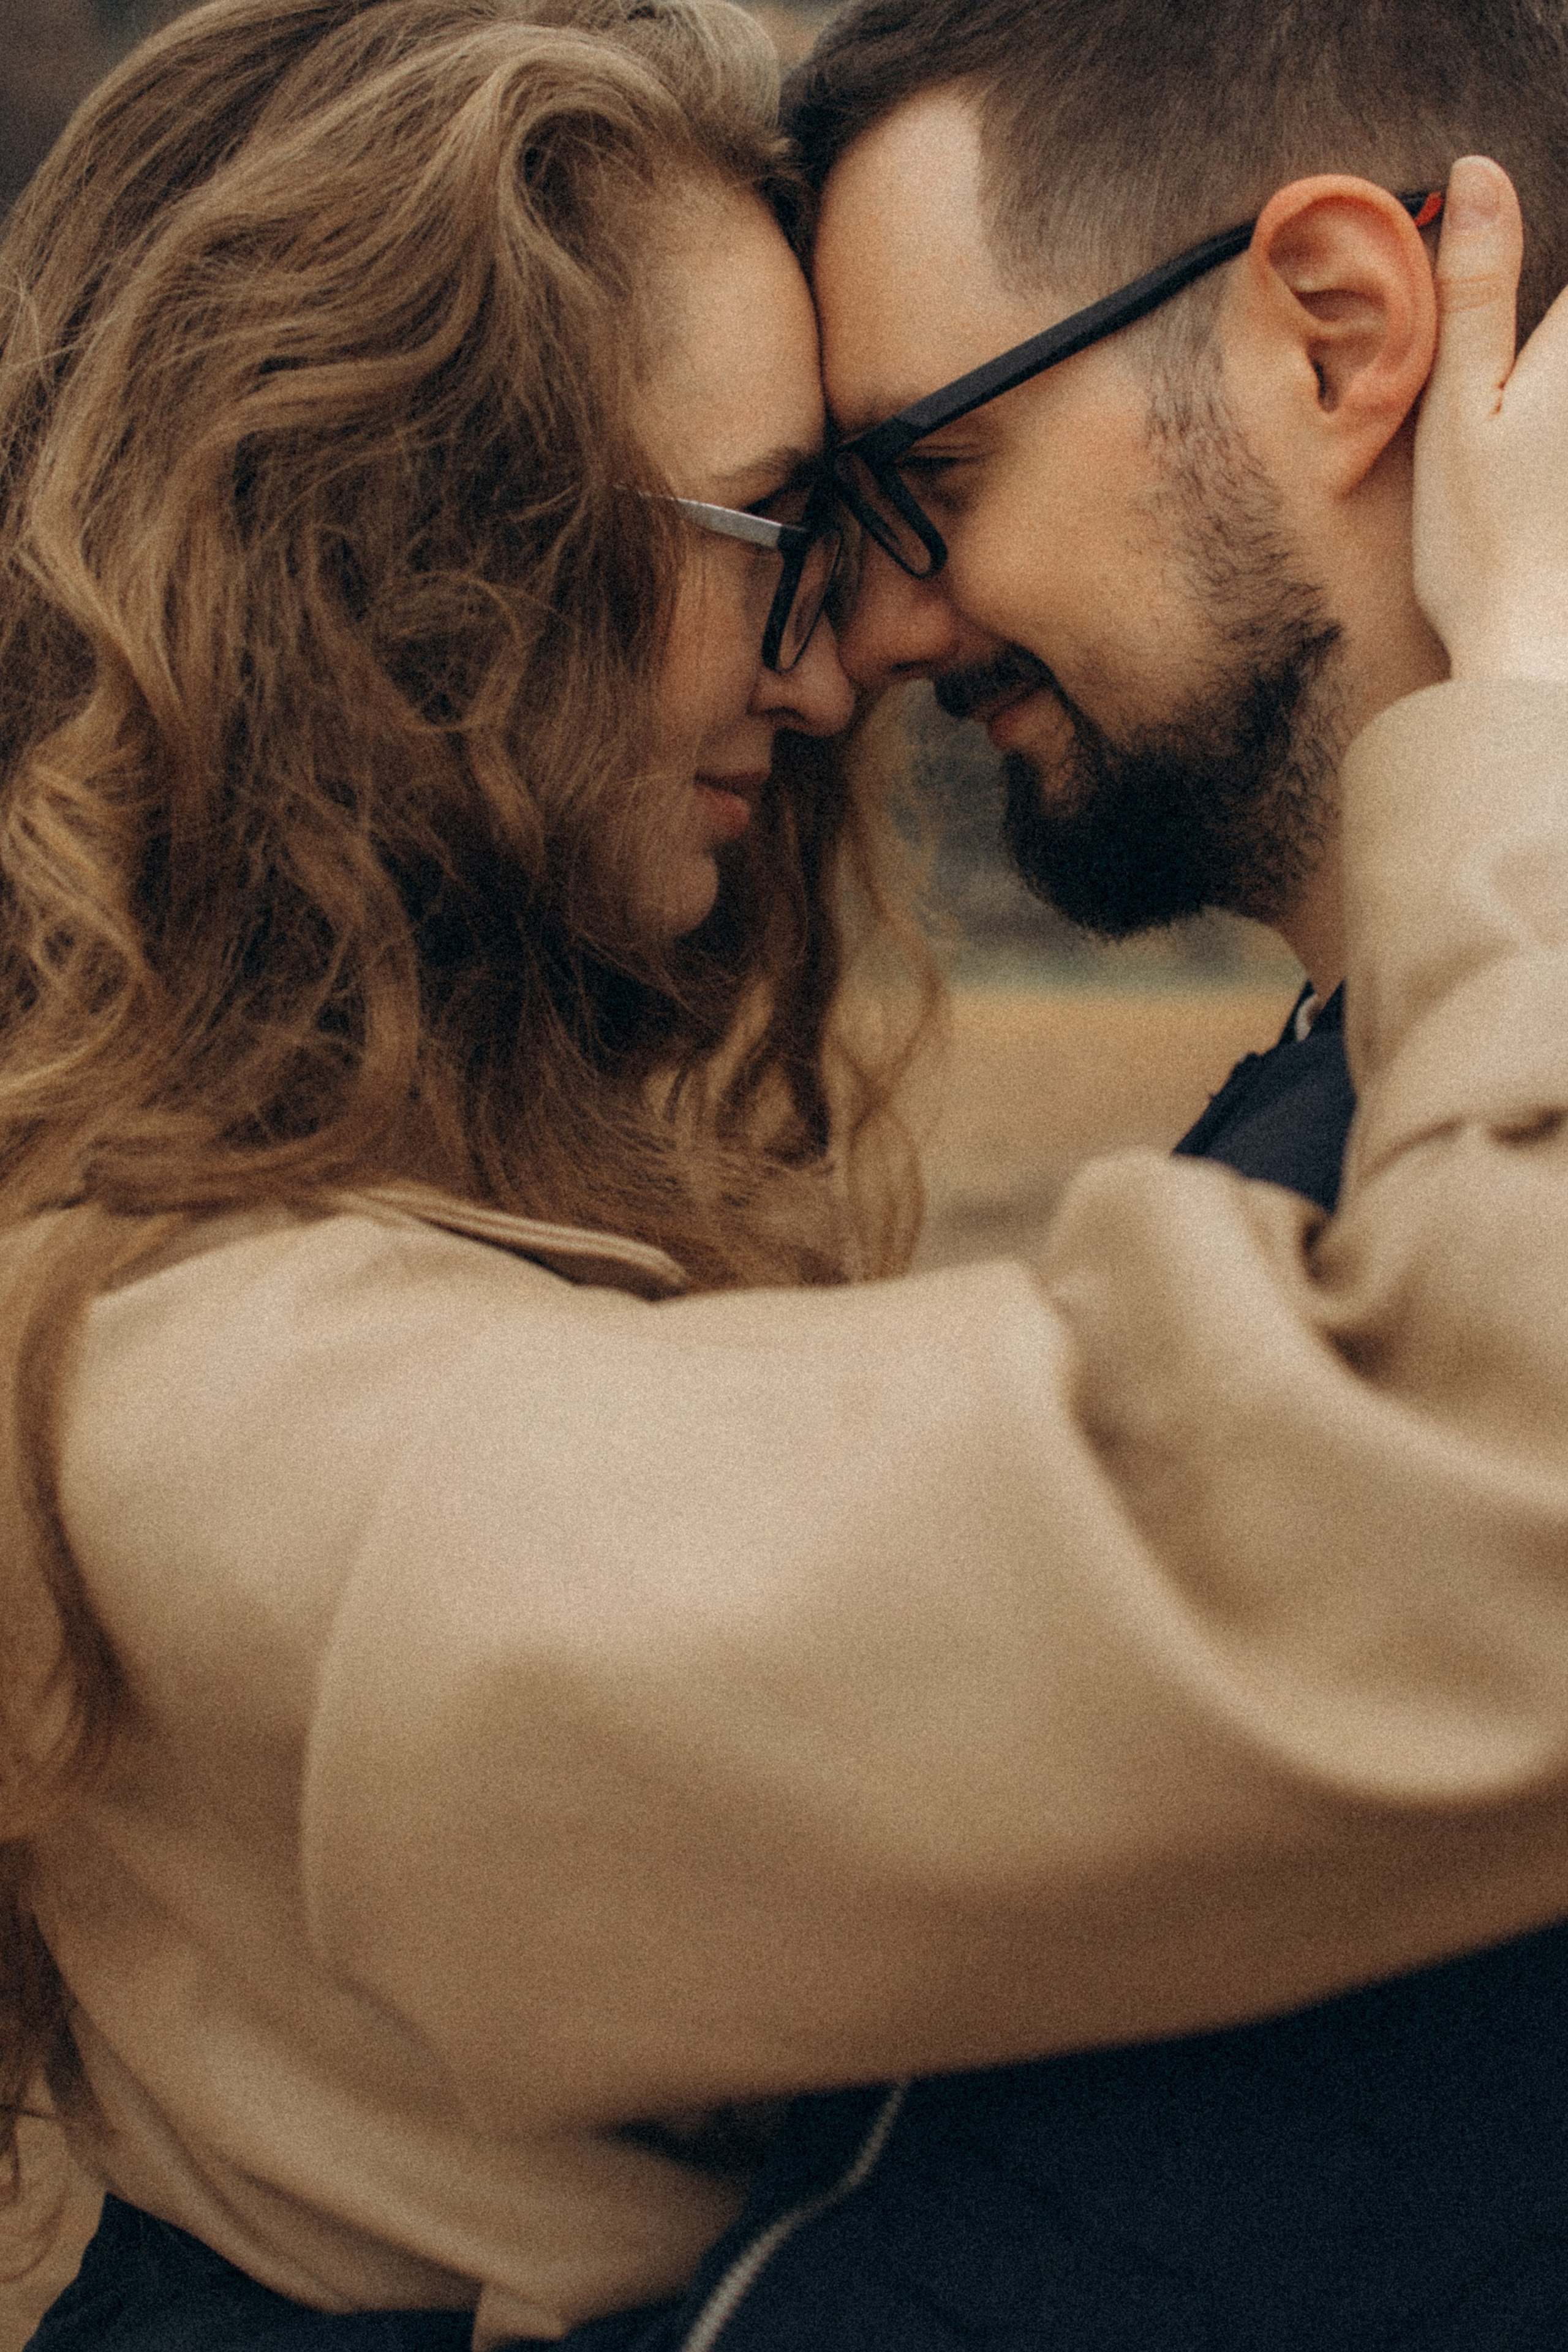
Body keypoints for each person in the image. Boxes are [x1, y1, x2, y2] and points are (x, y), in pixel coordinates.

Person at [6, 4, 1568, 2352]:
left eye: (904, 497)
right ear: (433, 561)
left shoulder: (315, 1266)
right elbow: (1476, 1490)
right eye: (789, 529)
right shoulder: (221, 1407)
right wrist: (1522, 733)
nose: (846, 666)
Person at [624, 4, 1568, 2345]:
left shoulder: (1466, 1209)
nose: (878, 640)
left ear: (1342, 333)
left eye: (921, 483)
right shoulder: (1377, 1114)